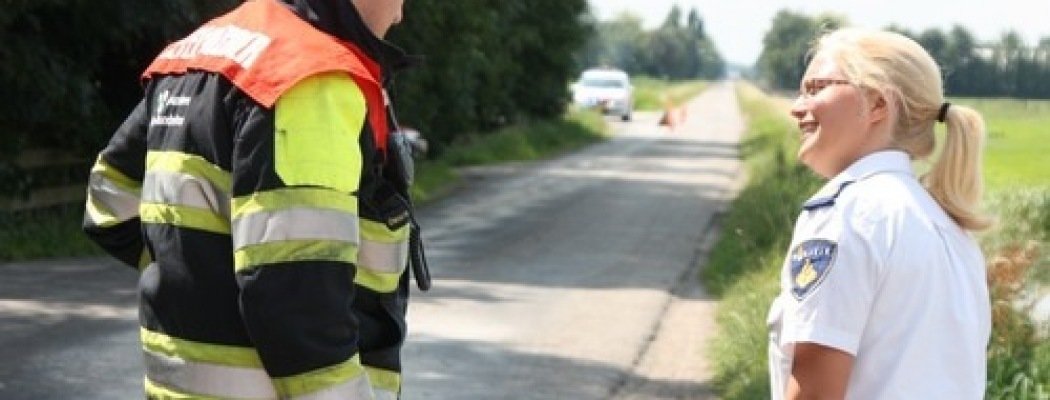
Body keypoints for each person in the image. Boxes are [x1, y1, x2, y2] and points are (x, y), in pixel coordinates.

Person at [82, 0, 427, 398]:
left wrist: (199, 276)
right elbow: (297, 301)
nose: (402, 10)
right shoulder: (309, 78)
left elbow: (109, 203)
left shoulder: (197, 54)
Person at [767, 28, 992, 399]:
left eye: (817, 88)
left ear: (876, 104)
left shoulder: (850, 214)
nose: (797, 106)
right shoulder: (949, 229)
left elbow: (816, 393)